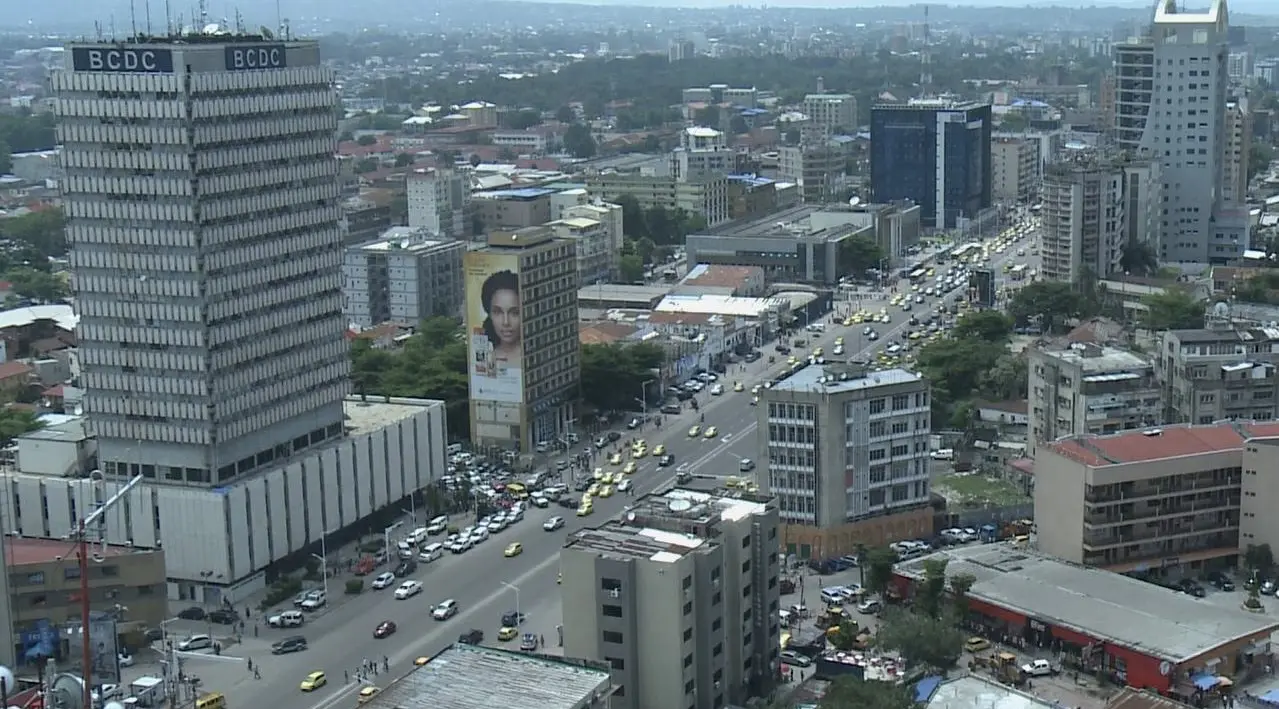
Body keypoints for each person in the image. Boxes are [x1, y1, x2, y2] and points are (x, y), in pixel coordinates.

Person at [479, 270, 522, 363]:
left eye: (514, 313)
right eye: (497, 312)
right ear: (489, 314)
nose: (506, 322)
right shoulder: (486, 358)